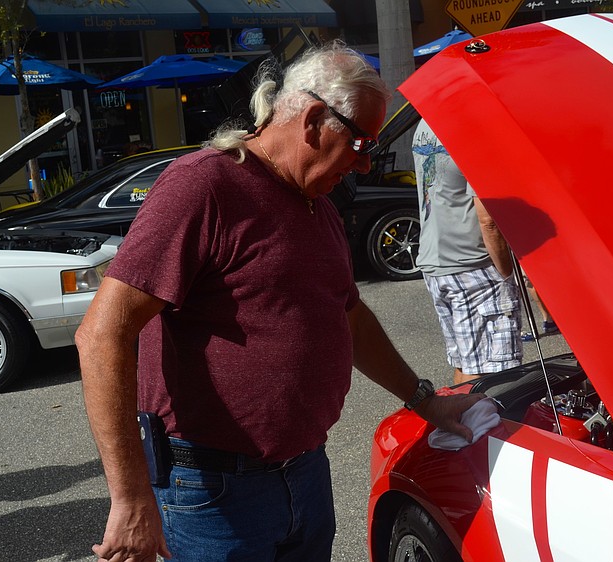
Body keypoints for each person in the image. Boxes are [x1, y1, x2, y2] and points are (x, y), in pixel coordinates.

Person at [75, 43, 485, 562]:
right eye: (360, 142)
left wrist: (425, 399)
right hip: (212, 490)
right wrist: (130, 497)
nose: (363, 164)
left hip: (304, 473)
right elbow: (102, 334)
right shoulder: (205, 185)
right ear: (313, 119)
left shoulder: (317, 206)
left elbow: (350, 318)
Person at [412, 118, 522, 385]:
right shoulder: (473, 132)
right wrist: (507, 274)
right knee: (488, 373)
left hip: (436, 261)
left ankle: (457, 424)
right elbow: (489, 221)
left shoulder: (424, 126)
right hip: (473, 264)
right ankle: (477, 427)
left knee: (466, 362)